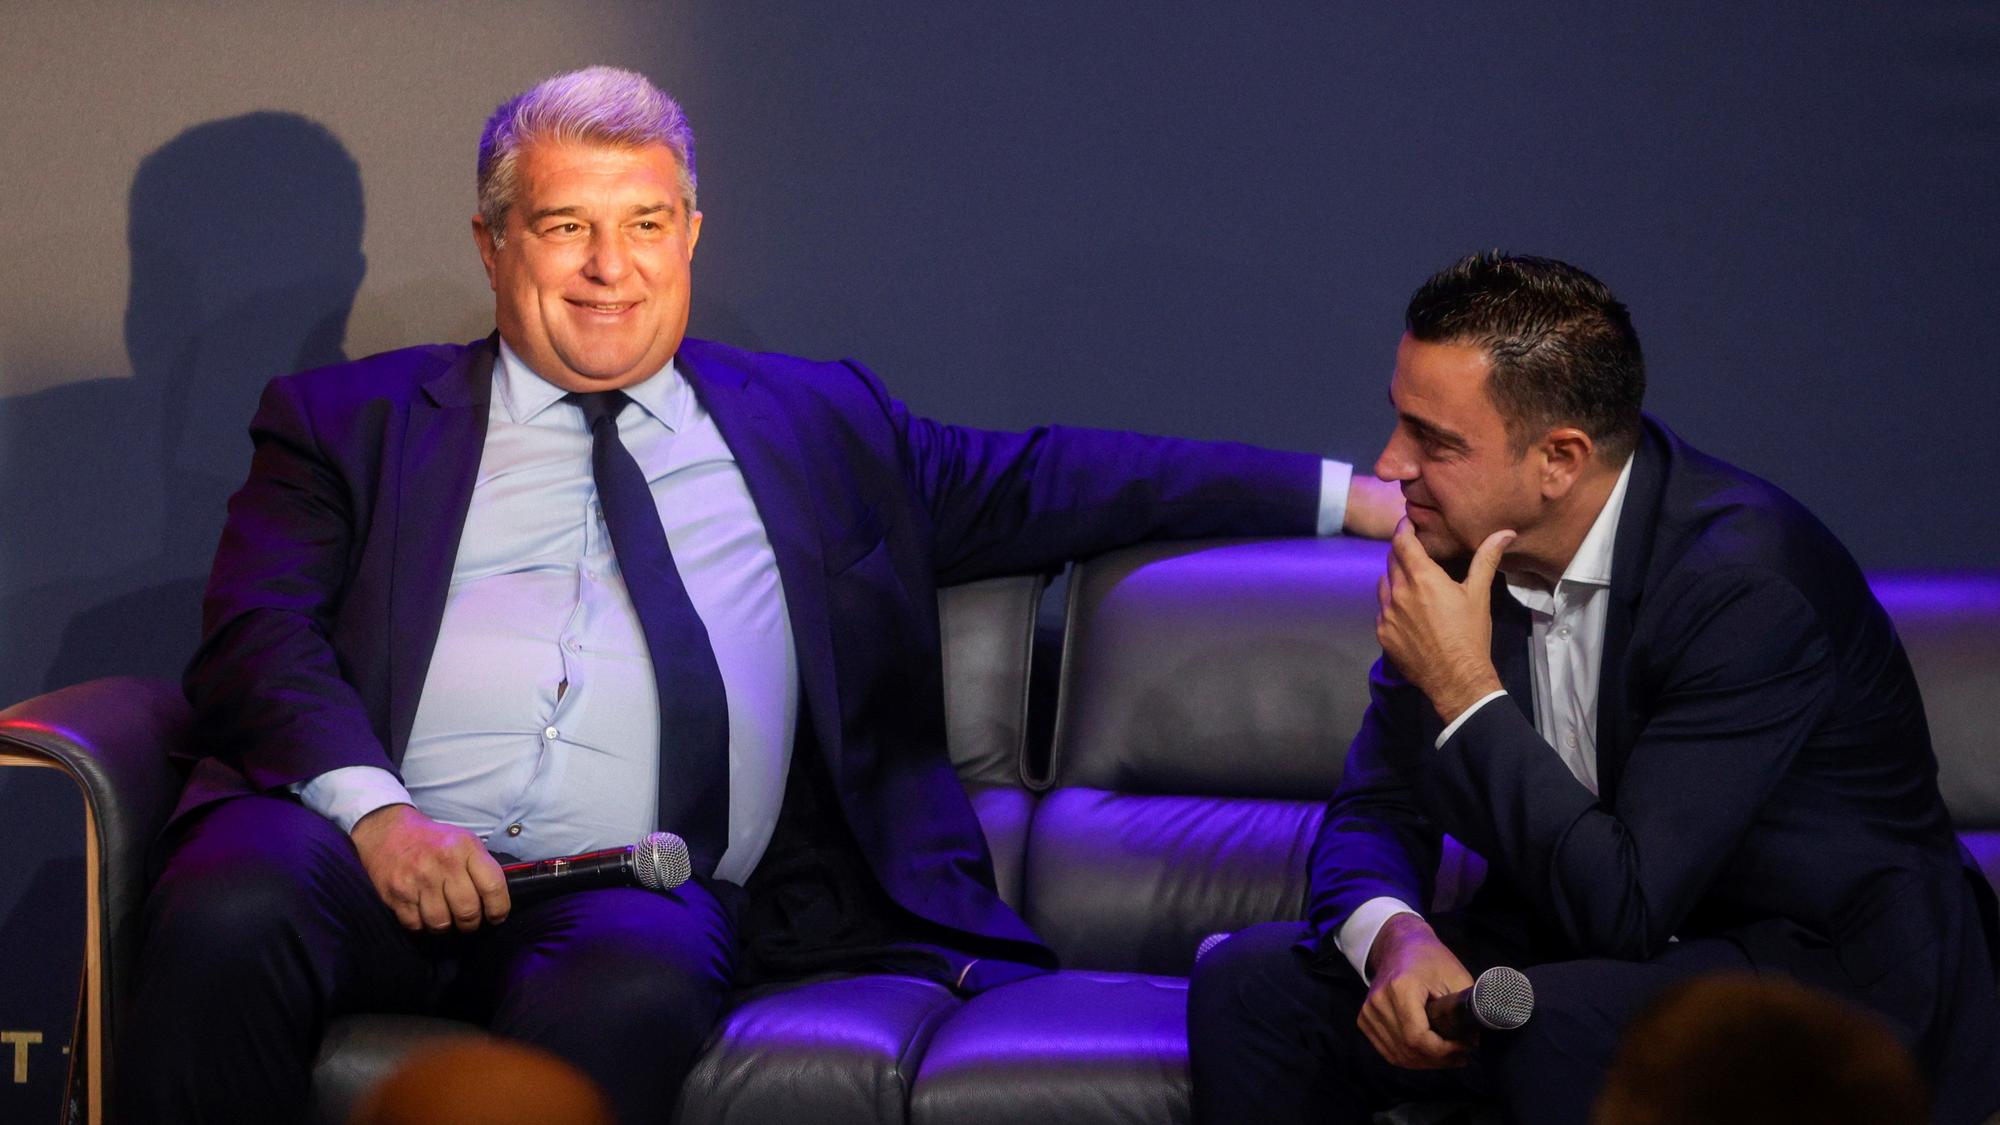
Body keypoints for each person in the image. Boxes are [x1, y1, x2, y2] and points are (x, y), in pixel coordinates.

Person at [113, 66, 1402, 1123]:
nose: (608, 268)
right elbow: (259, 640)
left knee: (633, 988)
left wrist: (1353, 497)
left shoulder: (812, 425)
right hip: (356, 849)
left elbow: (1064, 480)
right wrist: (381, 820)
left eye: (646, 224)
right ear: (494, 241)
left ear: (690, 233)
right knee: (231, 904)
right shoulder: (351, 422)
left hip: (627, 886)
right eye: (566, 226)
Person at [1187, 253, 2000, 1125]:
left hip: (1810, 970)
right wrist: (1399, 938)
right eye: (1399, 423)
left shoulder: (1745, 586)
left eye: (1436, 440)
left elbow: (1631, 905)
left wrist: (1463, 685)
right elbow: (1378, 807)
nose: (1390, 466)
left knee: (1552, 1029)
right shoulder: (1457, 548)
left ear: (1560, 459)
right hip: (1586, 946)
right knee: (1254, 987)